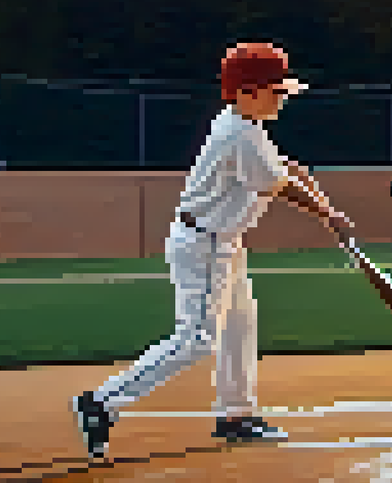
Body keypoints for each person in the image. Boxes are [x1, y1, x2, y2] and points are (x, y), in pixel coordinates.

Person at [72, 42, 355, 460]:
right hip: (205, 245)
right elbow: (282, 186)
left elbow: (286, 171)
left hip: (223, 242)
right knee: (197, 340)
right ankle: (102, 402)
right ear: (245, 92)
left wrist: (309, 186)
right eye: (274, 90)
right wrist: (329, 214)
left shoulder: (246, 126)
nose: (281, 98)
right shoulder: (239, 132)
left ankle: (236, 414)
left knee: (240, 324)